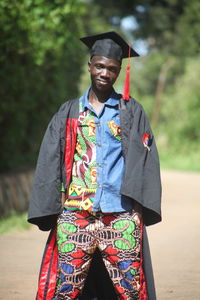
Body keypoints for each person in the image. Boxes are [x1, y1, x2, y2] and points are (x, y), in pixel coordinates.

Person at [28, 31, 162, 300]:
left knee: (130, 291)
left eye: (112, 69)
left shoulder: (131, 111)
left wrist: (137, 211)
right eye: (99, 66)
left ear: (119, 71)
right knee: (65, 289)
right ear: (90, 65)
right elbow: (50, 160)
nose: (105, 73)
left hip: (120, 215)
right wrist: (55, 208)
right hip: (76, 215)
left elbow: (144, 161)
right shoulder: (69, 112)